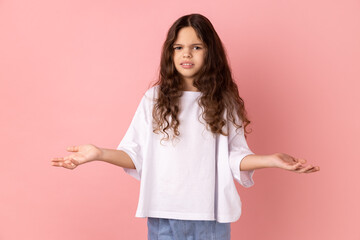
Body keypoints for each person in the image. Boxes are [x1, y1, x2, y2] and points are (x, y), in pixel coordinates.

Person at [51, 13, 320, 240]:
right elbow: (134, 155)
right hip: (164, 216)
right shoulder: (154, 99)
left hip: (211, 218)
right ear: (170, 52)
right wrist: (98, 153)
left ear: (210, 52)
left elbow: (234, 156)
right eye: (178, 47)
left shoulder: (224, 101)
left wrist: (271, 160)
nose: (186, 54)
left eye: (196, 47)